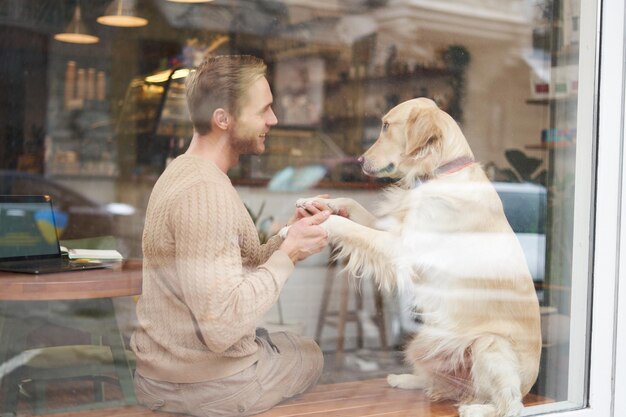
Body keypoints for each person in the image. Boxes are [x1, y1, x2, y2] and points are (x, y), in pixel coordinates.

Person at [131, 55, 330, 417]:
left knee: (282, 343)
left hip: (161, 379)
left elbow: (230, 267)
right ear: (223, 119)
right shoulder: (205, 191)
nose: (274, 119)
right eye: (264, 109)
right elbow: (221, 328)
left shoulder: (181, 173)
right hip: (209, 388)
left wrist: (289, 234)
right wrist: (290, 256)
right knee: (310, 353)